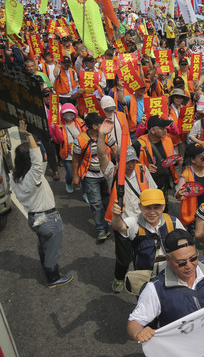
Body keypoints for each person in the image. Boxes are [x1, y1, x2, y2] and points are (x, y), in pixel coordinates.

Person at [127, 229, 204, 342]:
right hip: (187, 346)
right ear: (168, 260)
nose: (189, 266)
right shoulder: (156, 289)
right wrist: (139, 333)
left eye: (193, 258)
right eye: (181, 263)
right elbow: (134, 322)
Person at [10, 120, 73, 288]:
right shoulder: (34, 175)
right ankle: (53, 278)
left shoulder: (14, 177)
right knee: (52, 248)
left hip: (34, 219)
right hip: (48, 218)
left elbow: (35, 158)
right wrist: (29, 135)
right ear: (30, 159)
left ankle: (47, 269)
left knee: (43, 245)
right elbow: (37, 158)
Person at [97, 119, 157, 293]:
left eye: (133, 161)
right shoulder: (112, 172)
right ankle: (119, 277)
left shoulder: (142, 170)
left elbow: (153, 190)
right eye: (127, 161)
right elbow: (101, 155)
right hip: (122, 224)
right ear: (119, 161)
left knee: (145, 255)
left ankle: (143, 281)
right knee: (123, 259)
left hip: (144, 222)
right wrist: (102, 135)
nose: (130, 165)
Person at [111, 188, 185, 275]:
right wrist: (116, 216)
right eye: (148, 207)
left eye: (156, 207)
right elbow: (119, 227)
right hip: (145, 277)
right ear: (140, 207)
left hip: (171, 275)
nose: (152, 212)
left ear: (163, 207)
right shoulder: (134, 222)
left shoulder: (173, 222)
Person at [73, 113, 115, 242]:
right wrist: (75, 176)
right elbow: (75, 159)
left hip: (106, 175)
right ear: (94, 126)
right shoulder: (80, 140)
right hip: (90, 176)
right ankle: (101, 229)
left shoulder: (106, 135)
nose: (103, 125)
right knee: (96, 203)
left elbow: (115, 149)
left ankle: (108, 221)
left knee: (107, 199)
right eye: (100, 123)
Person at [134, 115, 182, 210]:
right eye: (162, 128)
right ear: (152, 130)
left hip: (163, 184)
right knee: (149, 210)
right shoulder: (138, 144)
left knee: (163, 209)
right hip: (147, 186)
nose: (166, 130)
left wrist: (176, 162)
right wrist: (145, 168)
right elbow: (130, 166)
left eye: (165, 127)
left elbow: (169, 161)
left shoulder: (168, 140)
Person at [50, 103, 86, 194]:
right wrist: (54, 129)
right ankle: (68, 183)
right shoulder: (60, 125)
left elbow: (86, 135)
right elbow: (58, 141)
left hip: (81, 155)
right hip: (67, 156)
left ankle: (85, 192)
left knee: (82, 175)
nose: (69, 115)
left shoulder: (80, 122)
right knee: (70, 173)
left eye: (71, 112)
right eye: (66, 113)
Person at [176, 143, 204, 232]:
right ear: (193, 160)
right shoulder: (185, 175)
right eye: (202, 157)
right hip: (194, 216)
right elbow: (179, 196)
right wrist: (179, 195)